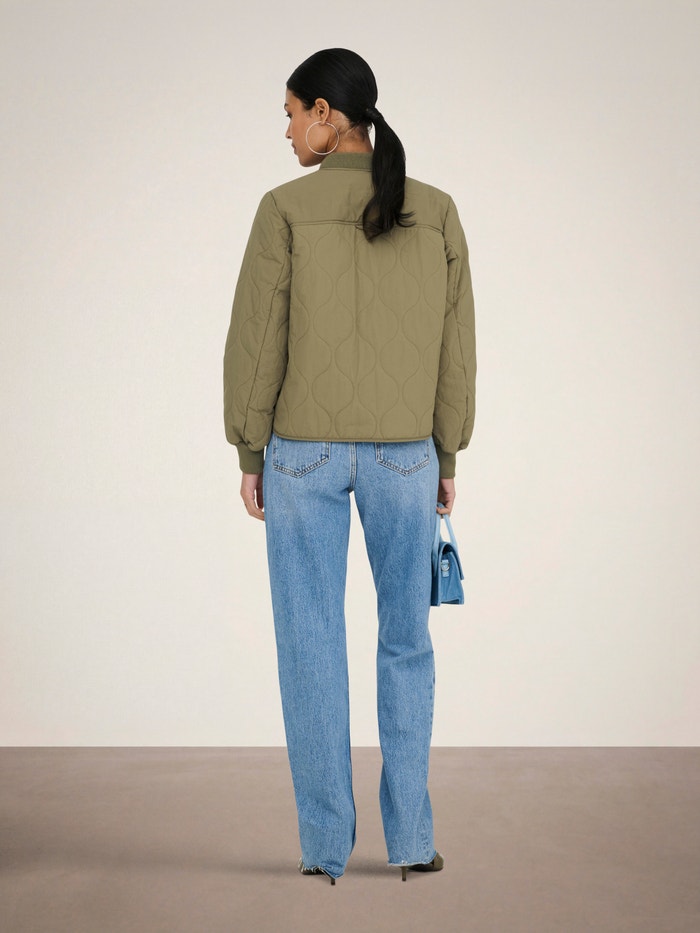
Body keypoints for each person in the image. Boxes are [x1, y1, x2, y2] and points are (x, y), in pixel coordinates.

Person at [223, 48, 476, 885]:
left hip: (303, 455)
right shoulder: (436, 211)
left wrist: (249, 447)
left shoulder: (283, 210)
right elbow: (457, 350)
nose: (289, 131)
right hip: (407, 458)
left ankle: (325, 847)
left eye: (293, 114)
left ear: (328, 116)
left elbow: (257, 341)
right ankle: (411, 841)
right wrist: (446, 449)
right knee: (407, 641)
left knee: (310, 644)